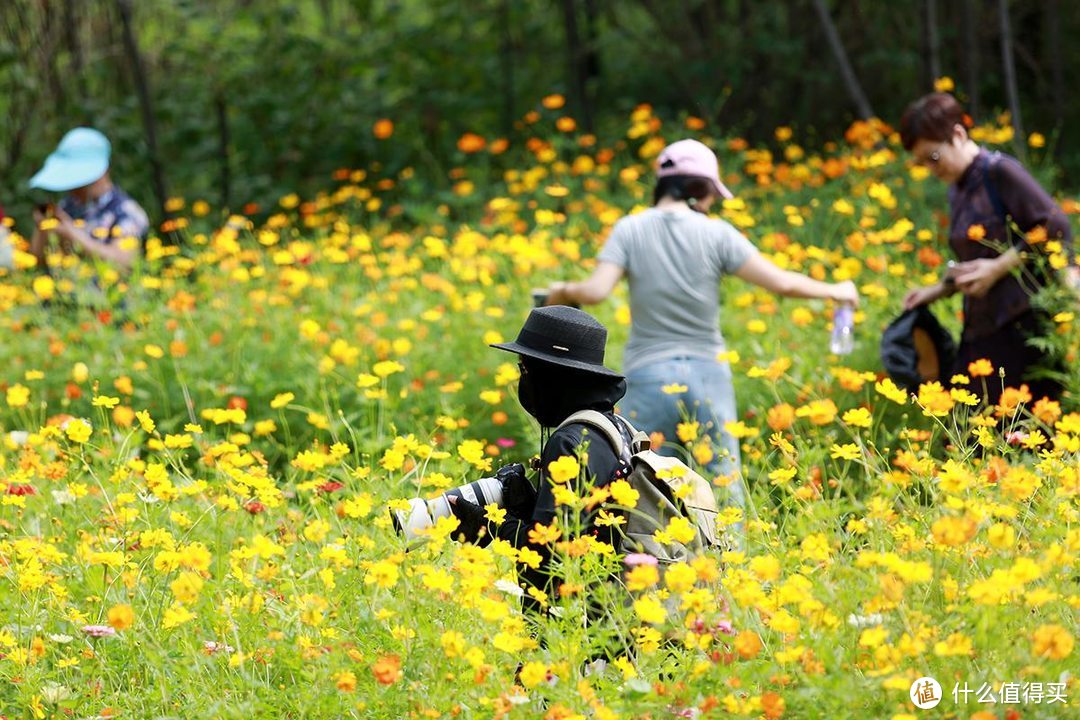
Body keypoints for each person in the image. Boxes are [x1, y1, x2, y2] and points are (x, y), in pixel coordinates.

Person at [541, 138, 859, 518]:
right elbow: (782, 284)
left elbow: (594, 291)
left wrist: (561, 291)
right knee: (723, 482)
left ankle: (642, 567)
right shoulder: (716, 233)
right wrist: (836, 289)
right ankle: (732, 570)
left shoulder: (630, 229)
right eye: (711, 193)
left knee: (633, 479)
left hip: (648, 373)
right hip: (708, 373)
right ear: (697, 189)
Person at [448, 305, 633, 616]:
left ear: (551, 376)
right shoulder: (614, 428)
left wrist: (489, 524)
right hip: (613, 614)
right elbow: (575, 530)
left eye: (525, 368)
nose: (523, 379)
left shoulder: (569, 441)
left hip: (574, 627)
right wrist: (528, 505)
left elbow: (547, 555)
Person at [899, 93, 1076, 405]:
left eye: (934, 157)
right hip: (982, 327)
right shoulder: (958, 188)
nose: (931, 169)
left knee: (1017, 430)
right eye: (922, 162)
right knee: (966, 429)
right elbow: (977, 259)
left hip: (1022, 326)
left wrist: (997, 268)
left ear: (957, 134)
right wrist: (941, 288)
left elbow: (1054, 224)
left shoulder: (999, 172)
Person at [28, 127, 149, 272]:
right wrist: (43, 228)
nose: (73, 188)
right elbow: (38, 261)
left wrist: (71, 234)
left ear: (101, 172)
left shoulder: (126, 211)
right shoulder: (67, 206)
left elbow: (124, 262)